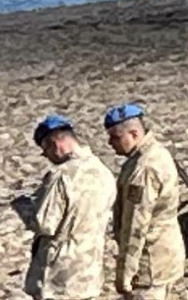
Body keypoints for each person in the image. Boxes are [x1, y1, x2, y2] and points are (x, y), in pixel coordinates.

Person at [15, 114, 117, 300]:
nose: (46, 156)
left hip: (59, 275)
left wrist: (24, 207)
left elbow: (45, 224)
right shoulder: (103, 171)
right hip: (90, 269)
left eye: (45, 150)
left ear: (55, 144)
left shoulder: (62, 176)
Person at [103, 103, 185, 300]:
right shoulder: (157, 152)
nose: (110, 143)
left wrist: (126, 274)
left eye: (115, 137)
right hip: (166, 257)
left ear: (134, 134)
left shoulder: (143, 169)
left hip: (149, 265)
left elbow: (135, 226)